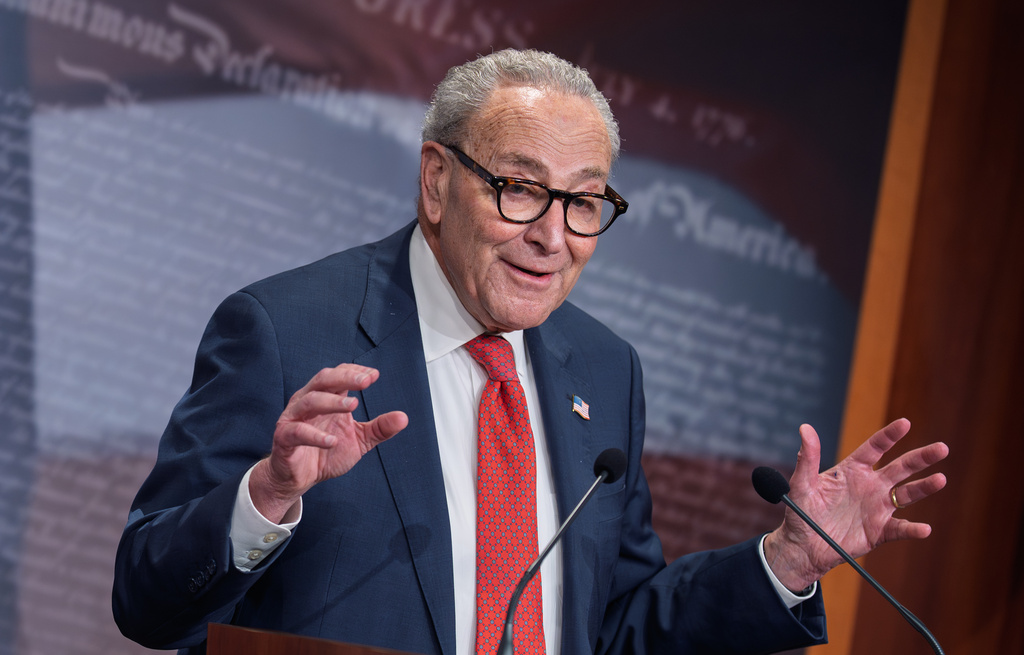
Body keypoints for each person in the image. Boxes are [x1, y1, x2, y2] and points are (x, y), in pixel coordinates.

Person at [112, 48, 948, 655]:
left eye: (585, 202)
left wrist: (787, 560)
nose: (552, 237)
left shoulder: (605, 369)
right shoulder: (284, 329)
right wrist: (267, 494)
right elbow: (148, 602)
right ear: (437, 181)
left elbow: (616, 626)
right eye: (519, 189)